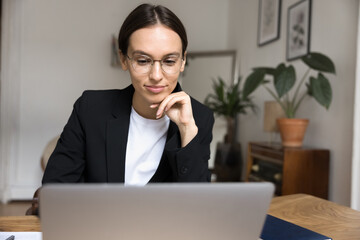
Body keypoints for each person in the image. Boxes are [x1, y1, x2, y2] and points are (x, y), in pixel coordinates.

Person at [42, 3, 214, 185]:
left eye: (169, 61)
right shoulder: (90, 109)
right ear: (123, 59)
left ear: (182, 61)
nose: (156, 75)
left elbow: (198, 205)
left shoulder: (199, 119)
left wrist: (187, 129)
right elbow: (55, 189)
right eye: (142, 60)